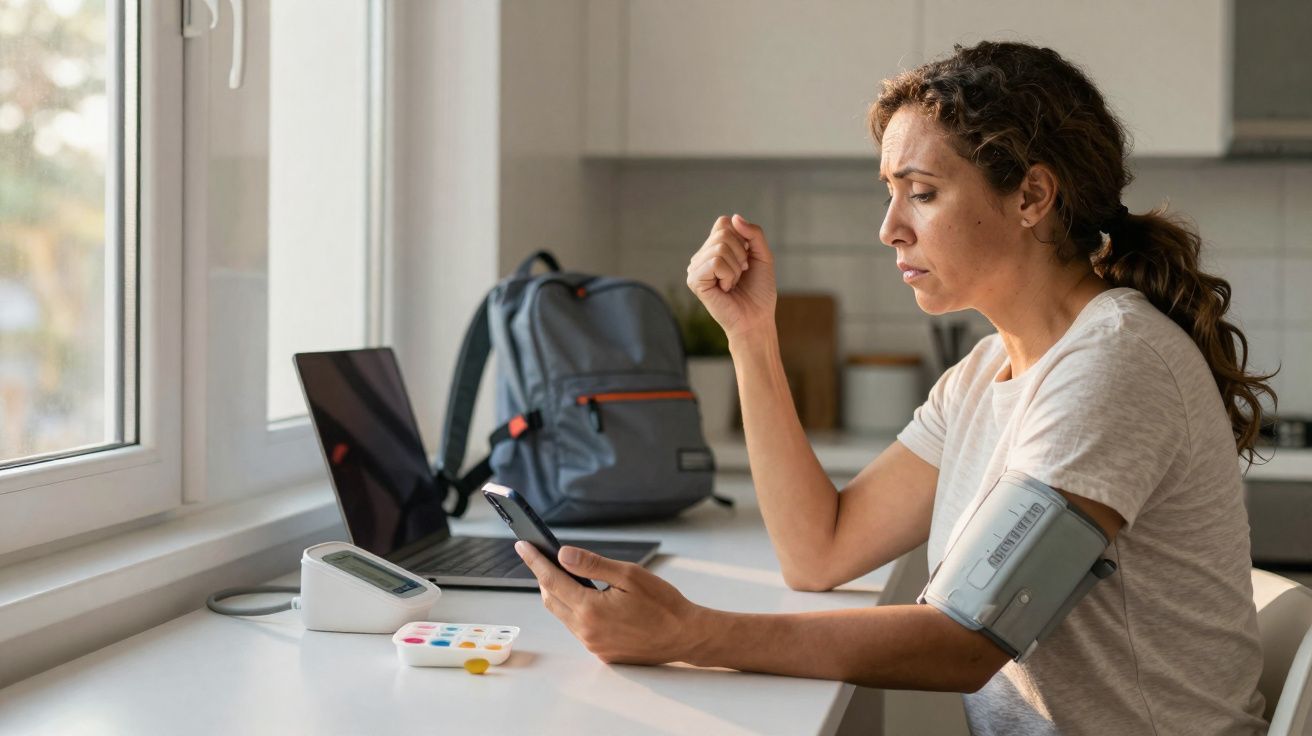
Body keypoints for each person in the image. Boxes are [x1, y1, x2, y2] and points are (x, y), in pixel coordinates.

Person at [514, 41, 1275, 735]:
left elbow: (967, 640)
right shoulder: (984, 375)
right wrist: (749, 334)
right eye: (889, 190)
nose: (890, 228)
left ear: (1032, 197)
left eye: (922, 192)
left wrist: (691, 633)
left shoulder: (1113, 364)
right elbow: (820, 550)